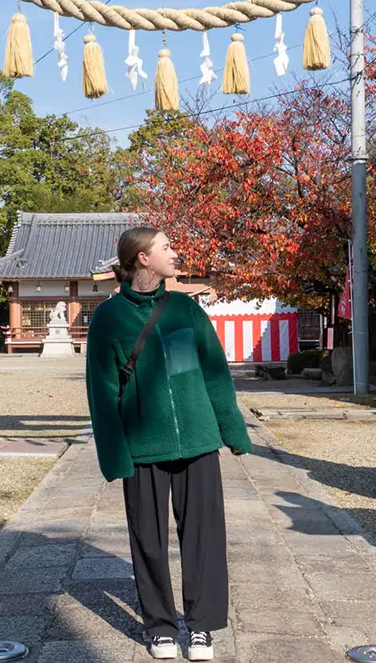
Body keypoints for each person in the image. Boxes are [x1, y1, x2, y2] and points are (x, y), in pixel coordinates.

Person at [85, 226, 253, 661]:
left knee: (205, 537)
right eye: (166, 248)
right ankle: (160, 627)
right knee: (148, 540)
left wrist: (231, 429)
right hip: (143, 447)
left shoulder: (185, 309)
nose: (174, 253)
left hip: (198, 441)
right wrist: (114, 454)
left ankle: (202, 628)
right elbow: (102, 391)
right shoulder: (109, 318)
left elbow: (215, 372)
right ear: (143, 258)